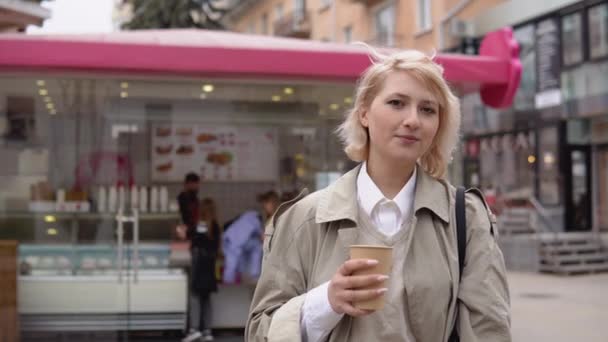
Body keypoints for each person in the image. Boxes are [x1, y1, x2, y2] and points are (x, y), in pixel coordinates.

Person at [246, 49, 510, 341]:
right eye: (397, 103)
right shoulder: (305, 217)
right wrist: (326, 302)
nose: (413, 120)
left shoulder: (467, 218)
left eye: (428, 109)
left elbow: (490, 331)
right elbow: (260, 332)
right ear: (364, 113)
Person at [177, 173, 220, 342]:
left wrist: (182, 232)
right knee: (207, 298)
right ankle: (207, 330)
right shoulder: (215, 227)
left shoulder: (199, 227)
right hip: (209, 267)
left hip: (198, 265)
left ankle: (194, 328)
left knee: (195, 296)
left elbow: (189, 236)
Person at [222, 191, 279, 284]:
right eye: (269, 203)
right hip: (233, 241)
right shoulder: (255, 217)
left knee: (256, 248)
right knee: (231, 267)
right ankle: (231, 285)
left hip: (238, 241)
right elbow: (263, 237)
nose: (271, 206)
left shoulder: (258, 216)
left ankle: (254, 277)